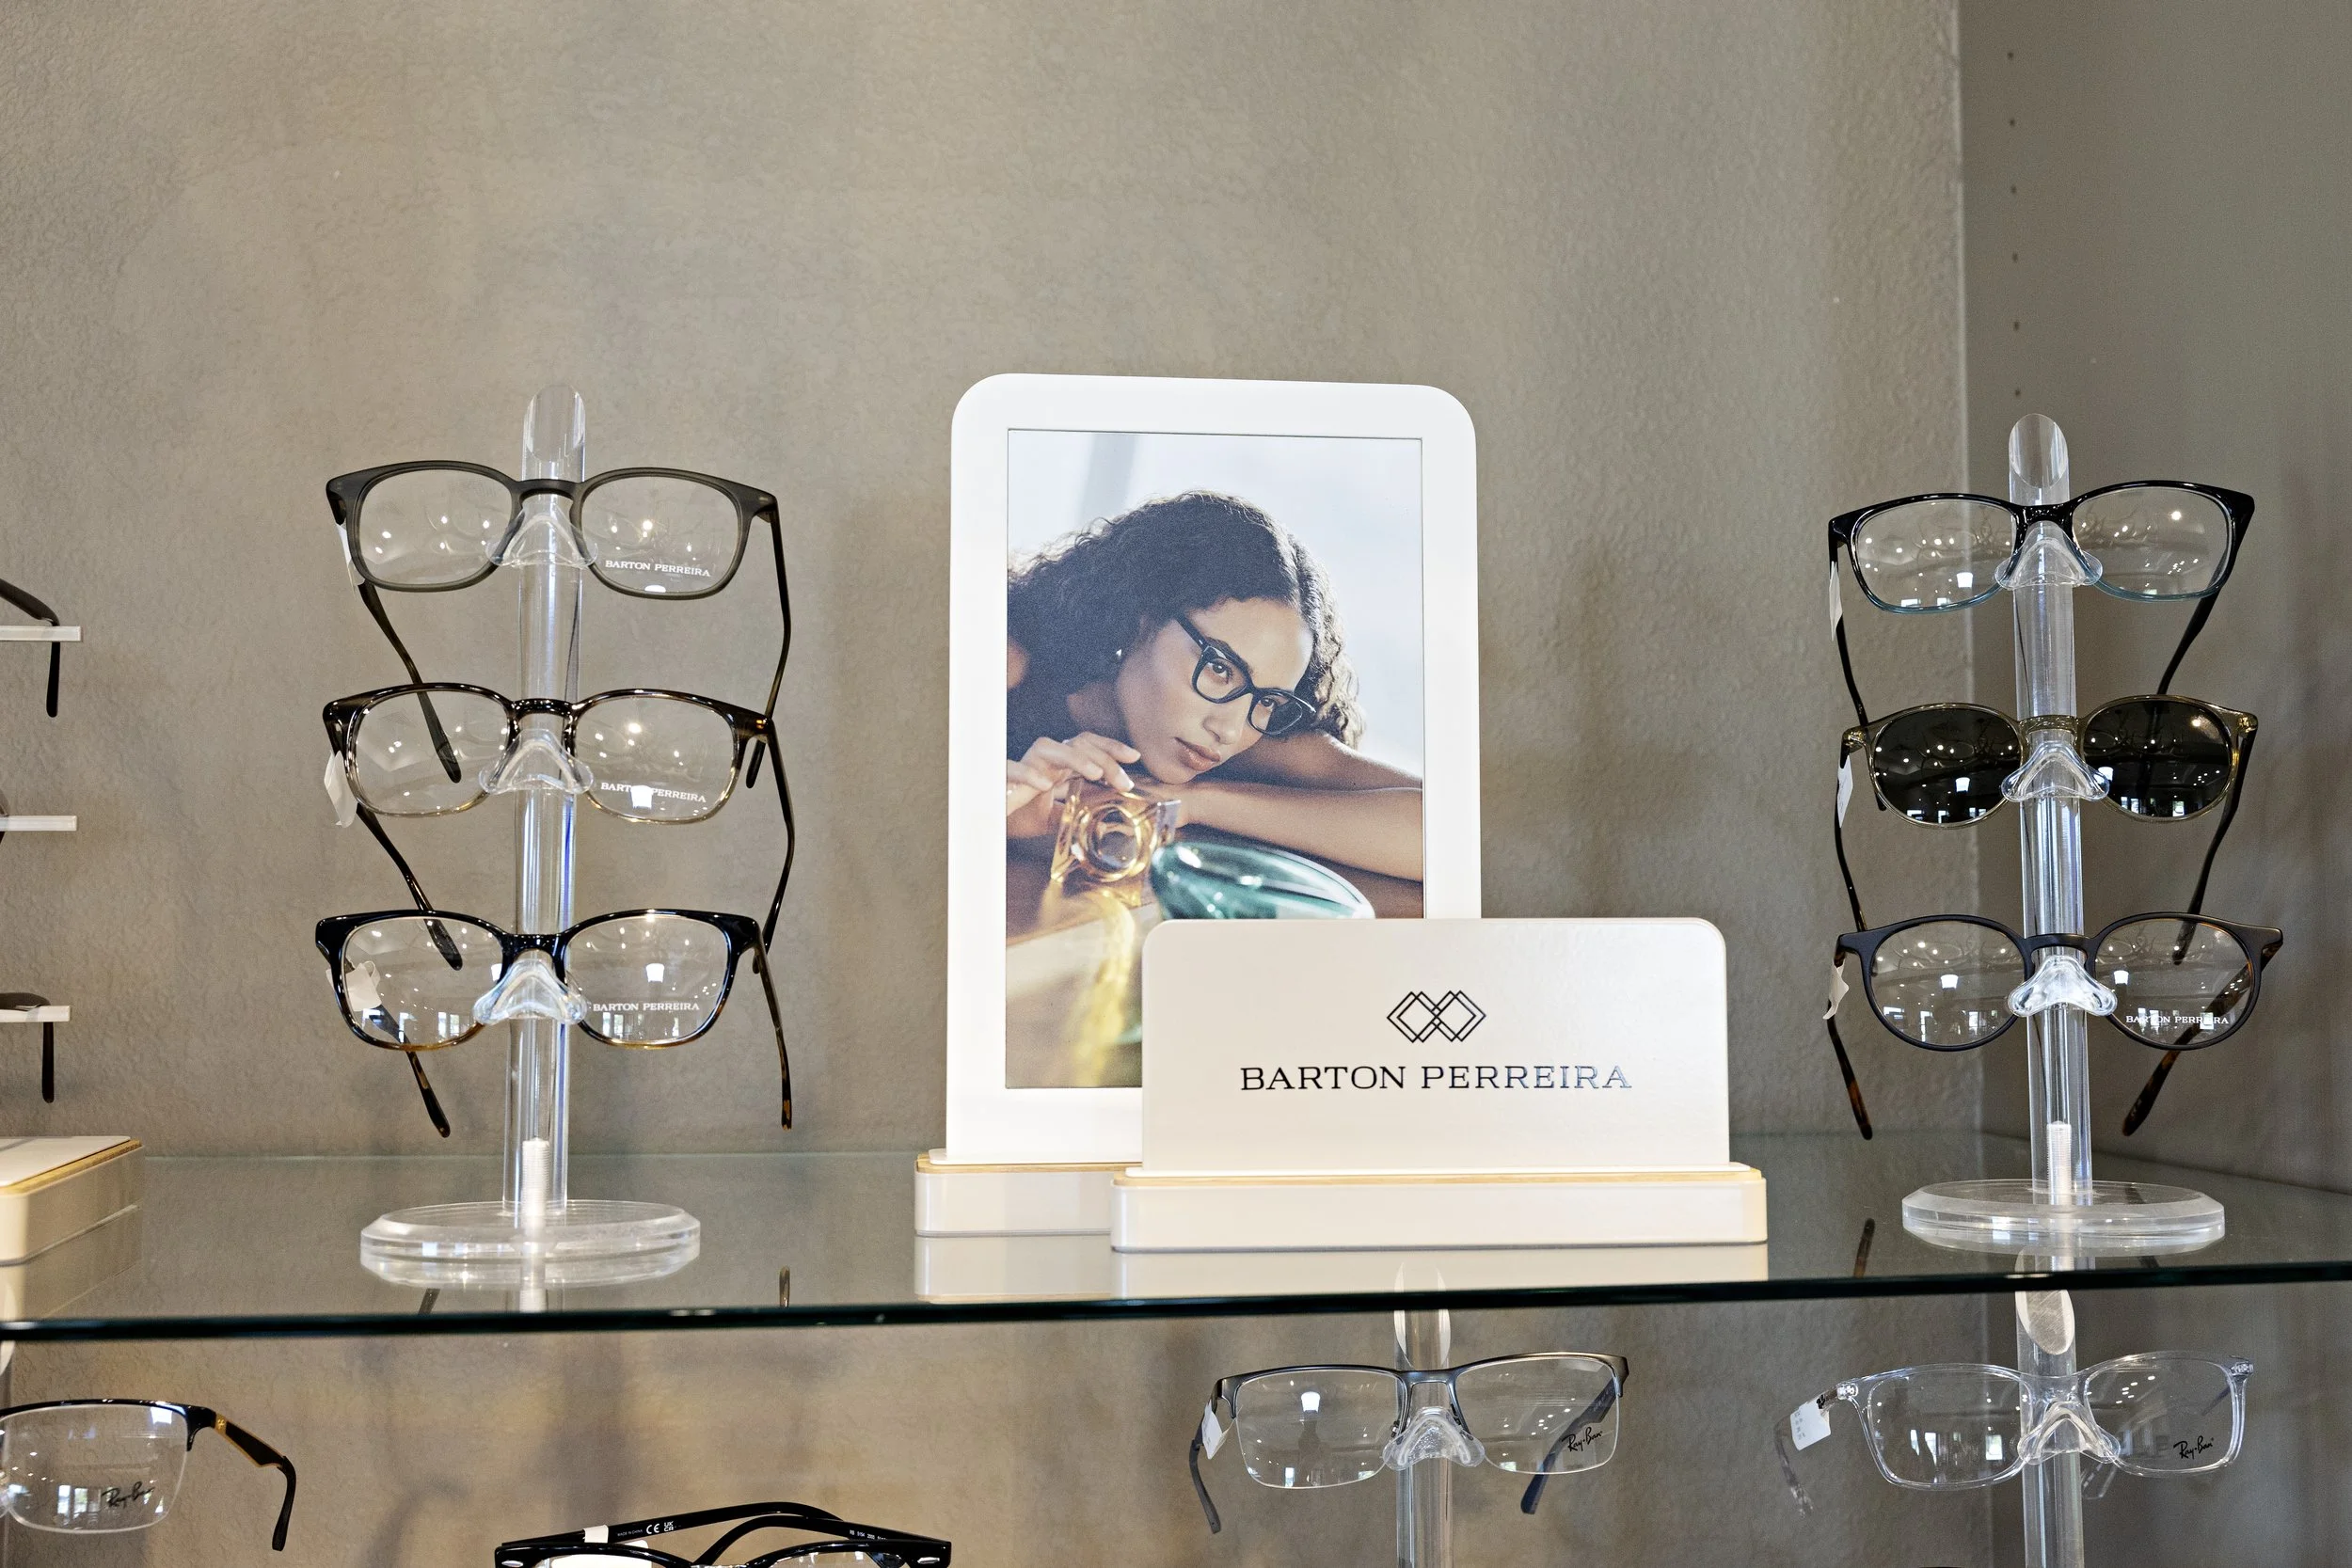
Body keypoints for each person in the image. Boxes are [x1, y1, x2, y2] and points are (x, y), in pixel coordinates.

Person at [1005, 491, 1421, 881]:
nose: (1231, 730)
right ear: (1141, 616)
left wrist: (1200, 801)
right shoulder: (1005, 667)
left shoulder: (1250, 736)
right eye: (1220, 669)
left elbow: (1441, 834)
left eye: (1270, 700)